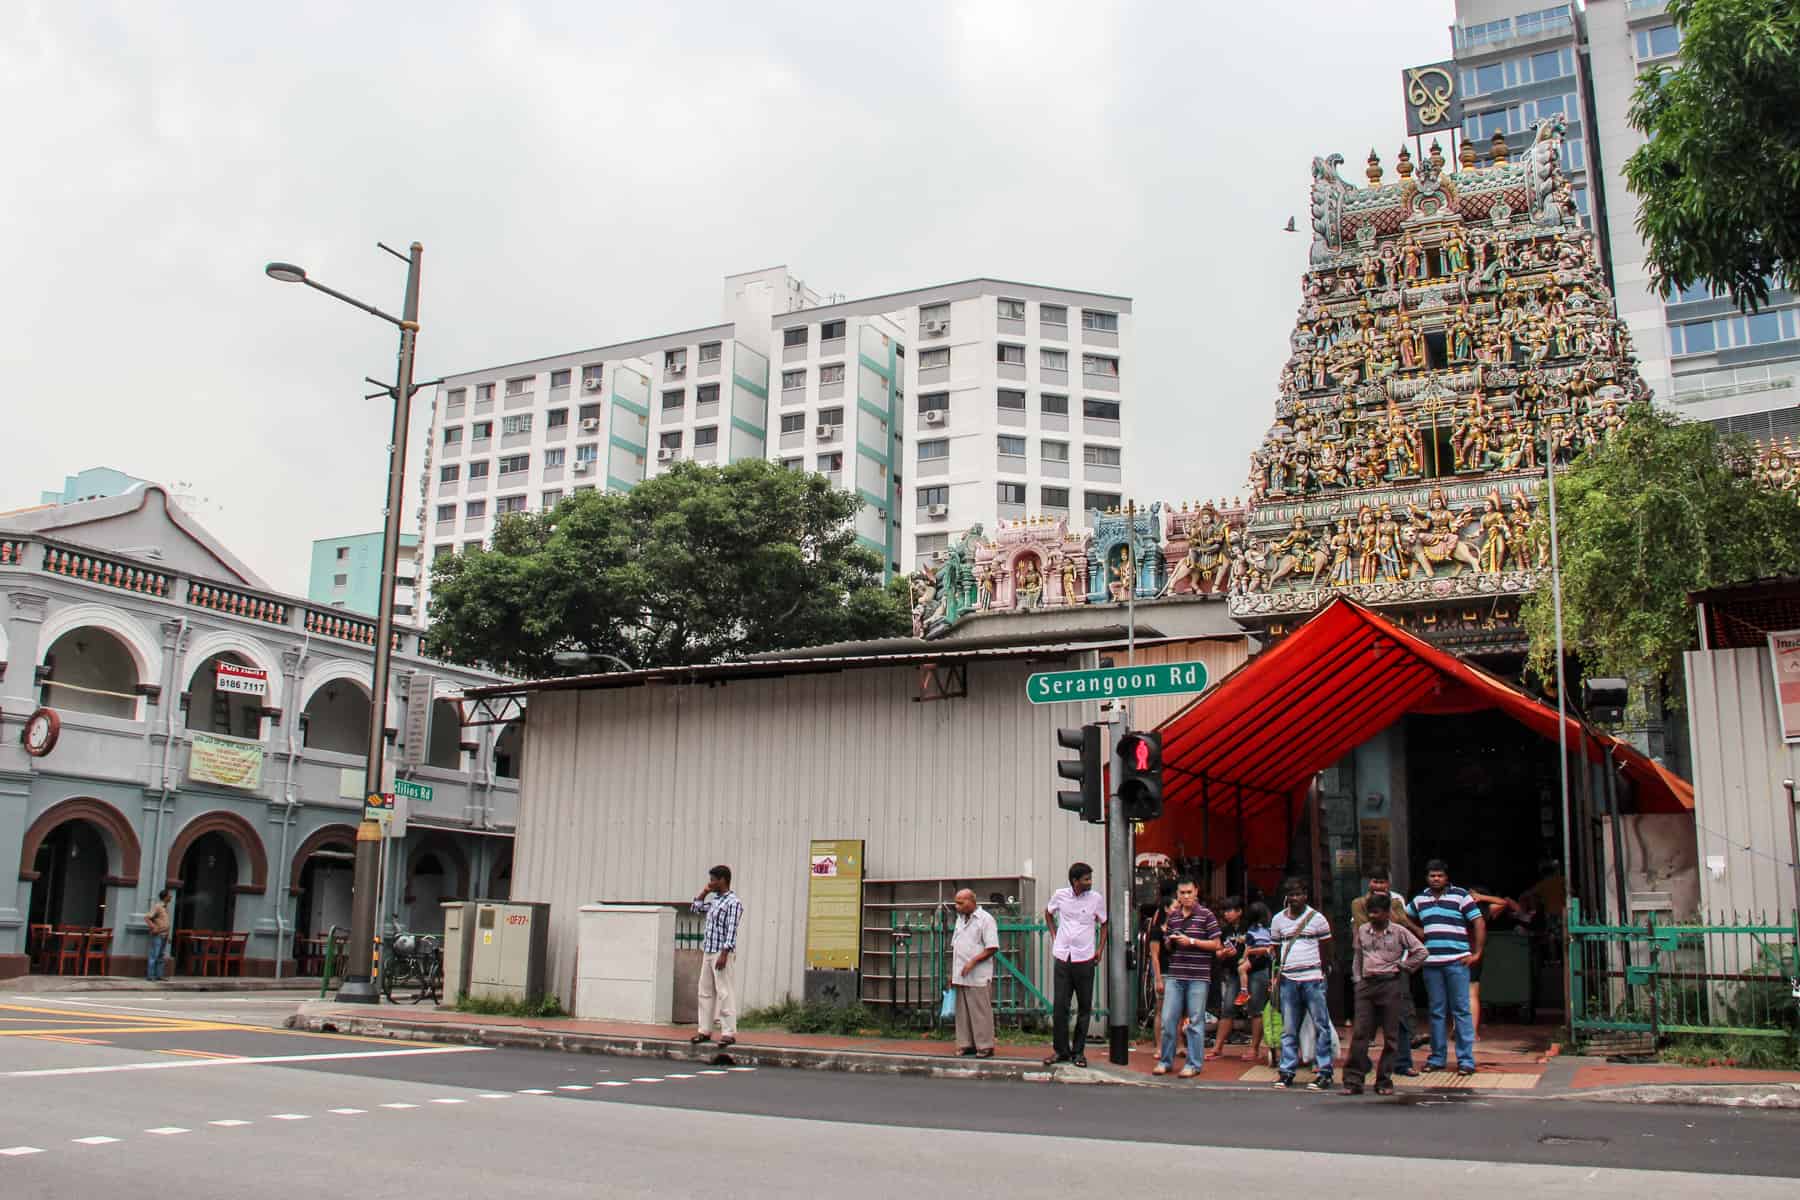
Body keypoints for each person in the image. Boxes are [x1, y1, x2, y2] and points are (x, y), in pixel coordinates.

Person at [1406, 859, 1486, 1076]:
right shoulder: (1420, 899)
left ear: (1446, 877)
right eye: (1432, 875)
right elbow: (1403, 916)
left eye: (1440, 875)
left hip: (1457, 962)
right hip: (1431, 964)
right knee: (1437, 1011)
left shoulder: (1461, 896)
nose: (1436, 879)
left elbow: (1478, 921)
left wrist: (1477, 953)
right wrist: (1418, 931)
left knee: (1461, 1011)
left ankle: (1466, 1060)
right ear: (1427, 877)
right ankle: (1437, 1058)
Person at [1342, 893, 1427, 1095]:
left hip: (1390, 983)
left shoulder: (1399, 932)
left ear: (1387, 913)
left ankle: (1384, 1081)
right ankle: (1353, 1081)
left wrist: (1405, 966)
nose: (1372, 916)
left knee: (1391, 1035)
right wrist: (1358, 981)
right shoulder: (1363, 930)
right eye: (1370, 912)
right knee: (1361, 1033)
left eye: (1377, 912)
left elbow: (1421, 951)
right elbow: (1358, 956)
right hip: (1366, 985)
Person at [1350, 869, 1421, 1077]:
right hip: (1368, 971)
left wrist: (1405, 967)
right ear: (1369, 883)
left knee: (1400, 1019)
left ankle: (1402, 1063)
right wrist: (1357, 978)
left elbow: (1403, 926)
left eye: (1382, 882)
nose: (1378, 886)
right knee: (1364, 1026)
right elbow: (1365, 928)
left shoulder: (1397, 902)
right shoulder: (1358, 903)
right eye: (1375, 881)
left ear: (1388, 884)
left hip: (1394, 971)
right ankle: (1360, 1068)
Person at [1270, 877, 1334, 1090]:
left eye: (1299, 894)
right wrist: (1276, 977)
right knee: (1289, 1028)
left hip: (1313, 979)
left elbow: (1327, 949)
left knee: (1321, 1026)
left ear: (1306, 895)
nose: (1295, 898)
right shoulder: (1278, 920)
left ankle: (1324, 1071)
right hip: (1289, 980)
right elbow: (1275, 951)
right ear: (1286, 897)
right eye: (1291, 894)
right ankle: (1287, 1071)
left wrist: (1322, 972)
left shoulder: (1318, 919)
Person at [1154, 878, 1222, 1078]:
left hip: (1198, 976)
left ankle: (1193, 1064)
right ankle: (1165, 1061)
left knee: (1194, 1021)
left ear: (1196, 892)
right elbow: (1168, 945)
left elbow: (1216, 944)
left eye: (1189, 892)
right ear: (1177, 895)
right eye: (1182, 893)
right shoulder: (1173, 916)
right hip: (1176, 974)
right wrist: (1171, 941)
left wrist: (1191, 941)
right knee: (1168, 1019)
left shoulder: (1206, 915)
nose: (1185, 896)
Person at [1044, 862, 1107, 1068]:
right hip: (1063, 957)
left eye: (1090, 878)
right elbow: (1048, 913)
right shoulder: (1060, 895)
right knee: (1060, 1006)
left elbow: (1104, 922)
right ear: (1075, 881)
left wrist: (1100, 949)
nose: (1090, 882)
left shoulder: (1096, 899)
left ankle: (1078, 1052)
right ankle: (1060, 1051)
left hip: (1085, 959)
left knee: (1084, 1007)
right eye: (1086, 879)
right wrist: (1054, 935)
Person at [689, 864, 743, 1048]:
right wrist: (704, 892)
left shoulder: (733, 902)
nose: (710, 883)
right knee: (705, 991)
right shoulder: (715, 901)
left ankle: (728, 1032)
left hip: (721, 952)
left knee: (724, 992)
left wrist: (725, 953)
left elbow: (731, 930)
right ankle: (704, 1030)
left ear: (723, 880)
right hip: (708, 950)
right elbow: (695, 908)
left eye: (713, 880)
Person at [1222, 900, 1274, 1061]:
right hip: (1259, 966)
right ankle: (1251, 1048)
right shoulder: (1266, 928)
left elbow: (1250, 948)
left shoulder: (1252, 929)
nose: (1226, 913)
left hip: (1257, 968)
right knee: (1240, 1009)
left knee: (1256, 1010)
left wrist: (1244, 956)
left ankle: (1254, 1048)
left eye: (1230, 909)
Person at [950, 889, 999, 1058]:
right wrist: (953, 973)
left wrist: (973, 961)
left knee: (980, 1011)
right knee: (963, 1012)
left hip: (978, 973)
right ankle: (966, 1044)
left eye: (961, 903)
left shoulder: (985, 920)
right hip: (961, 973)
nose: (957, 907)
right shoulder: (960, 920)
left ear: (971, 901)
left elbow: (992, 947)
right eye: (956, 903)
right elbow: (956, 946)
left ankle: (985, 1046)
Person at [145, 889, 172, 982]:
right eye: (169, 895)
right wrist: (153, 927)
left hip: (164, 935)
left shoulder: (165, 907)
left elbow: (166, 923)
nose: (171, 897)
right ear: (165, 897)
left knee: (161, 956)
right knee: (154, 955)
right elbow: (147, 917)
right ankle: (150, 976)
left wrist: (168, 936)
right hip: (158, 935)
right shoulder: (158, 906)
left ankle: (159, 975)